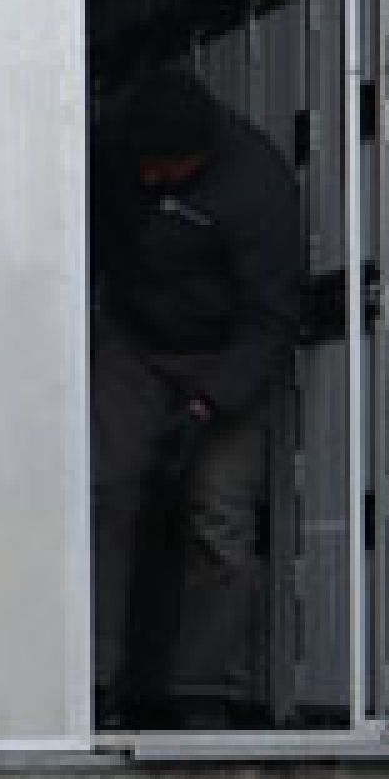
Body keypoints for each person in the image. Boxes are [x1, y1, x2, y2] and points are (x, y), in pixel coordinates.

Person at [88, 67, 305, 731]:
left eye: (168, 170)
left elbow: (271, 318)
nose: (151, 179)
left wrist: (208, 406)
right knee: (104, 493)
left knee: (220, 518)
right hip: (132, 341)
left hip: (226, 353)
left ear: (203, 153)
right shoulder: (111, 145)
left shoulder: (258, 186)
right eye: (144, 168)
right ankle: (91, 678)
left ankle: (206, 692)